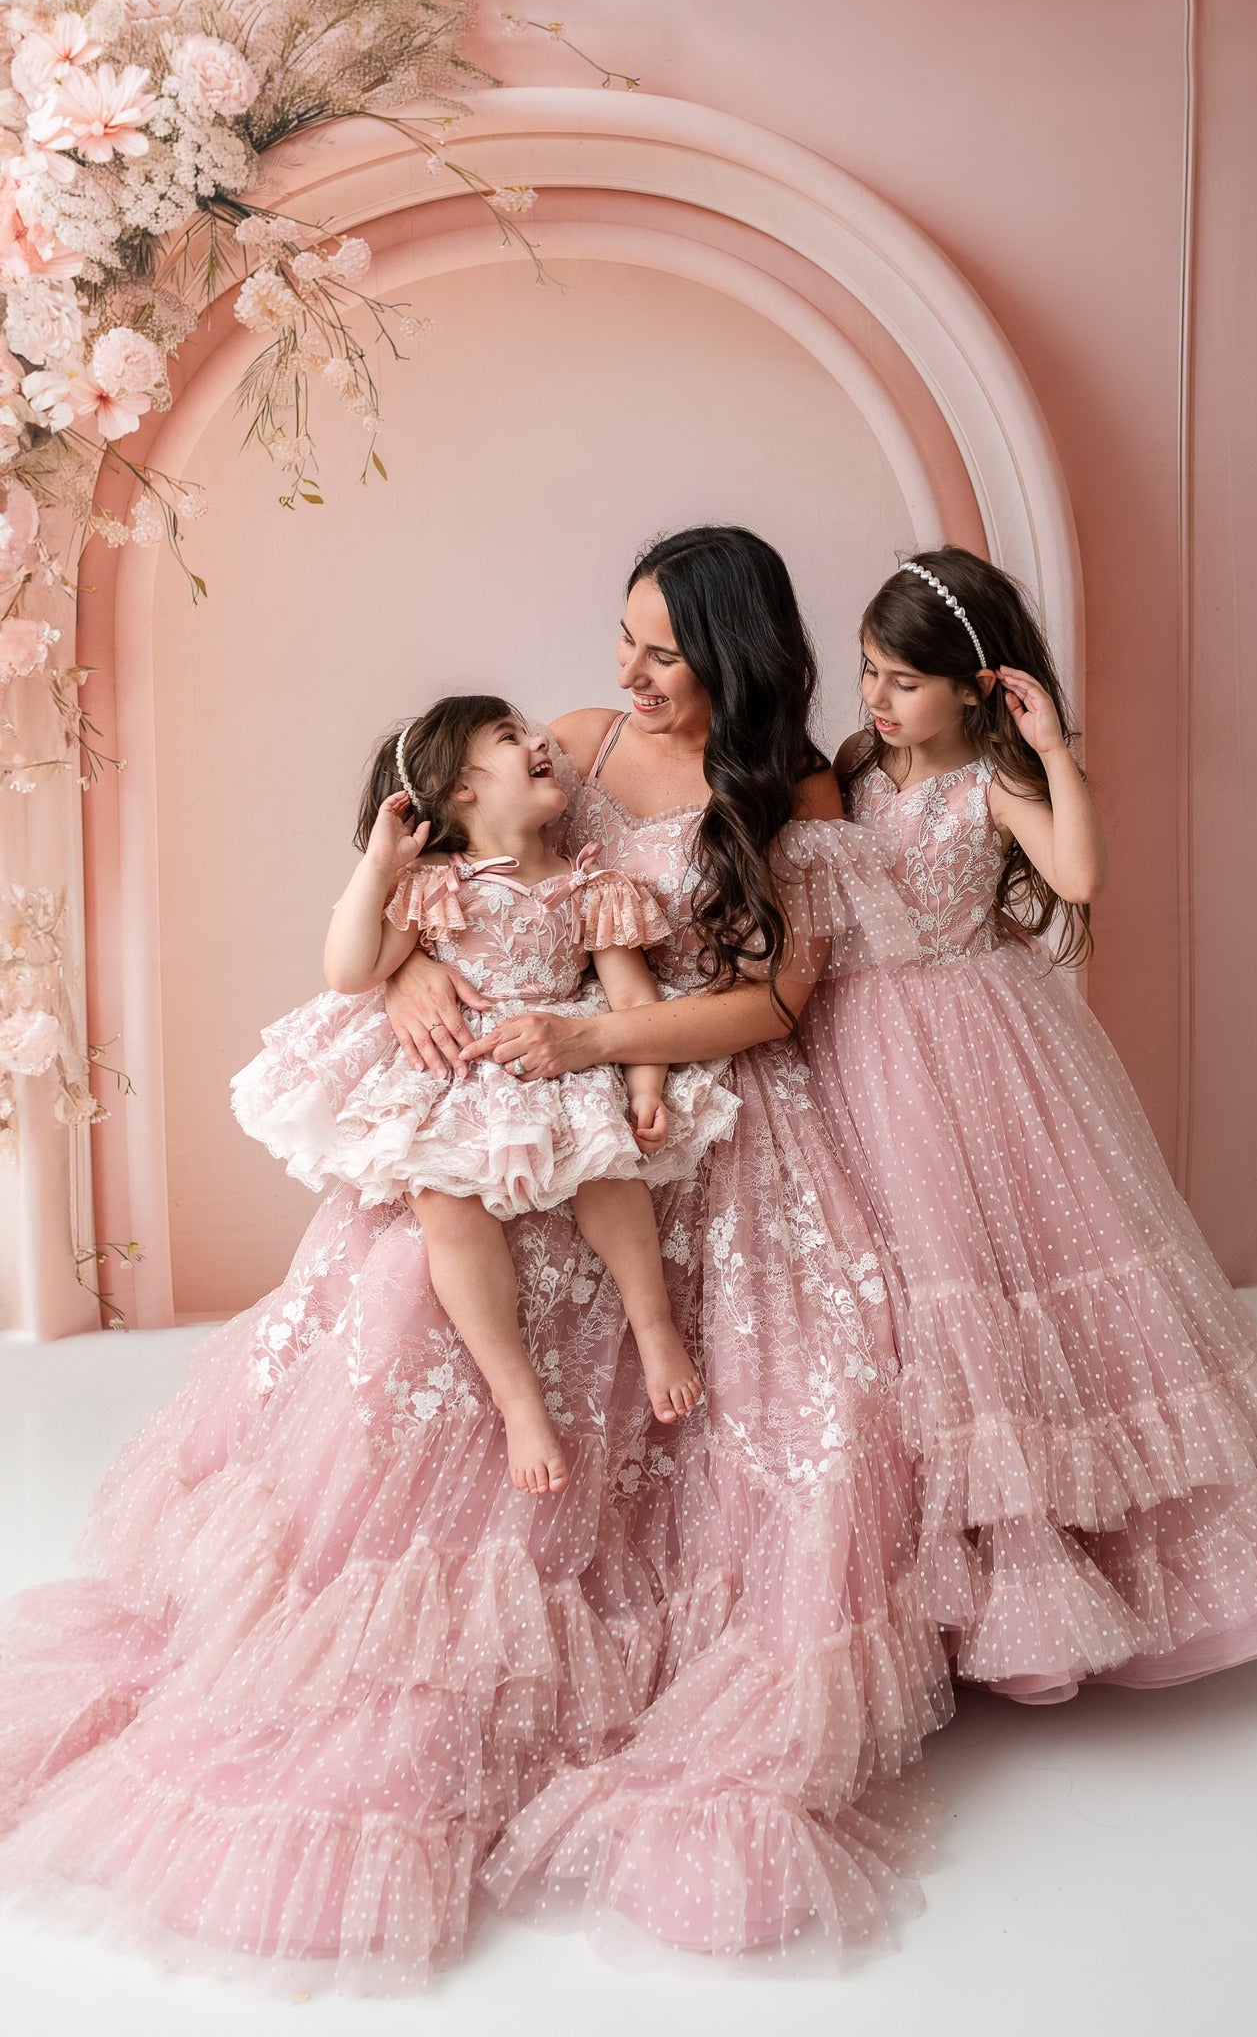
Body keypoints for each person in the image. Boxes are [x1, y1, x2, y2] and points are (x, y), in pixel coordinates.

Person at [0, 528, 940, 1989]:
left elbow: (775, 1009)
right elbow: (447, 865)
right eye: (623, 638)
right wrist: (421, 966)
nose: (628, 676)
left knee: (654, 1300)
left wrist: (596, 1041)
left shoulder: (792, 791)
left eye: (666, 653)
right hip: (516, 1082)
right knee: (411, 1266)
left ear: (737, 657)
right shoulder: (573, 739)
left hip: (668, 1097)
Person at [800, 547, 1257, 1704]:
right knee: (898, 1288)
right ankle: (921, 1584)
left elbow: (1078, 874)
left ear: (976, 685)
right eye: (867, 673)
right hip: (859, 1043)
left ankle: (1080, 1569)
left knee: (1005, 1275)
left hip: (976, 1042)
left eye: (901, 679)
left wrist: (1047, 749)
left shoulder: (987, 785)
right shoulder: (855, 766)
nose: (876, 699)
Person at [231, 694, 735, 1491]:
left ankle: (654, 1323)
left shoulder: (592, 885)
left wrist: (644, 1088)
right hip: (463, 1077)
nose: (542, 741)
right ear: (461, 789)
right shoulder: (437, 885)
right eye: (509, 737)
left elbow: (634, 1002)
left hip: (560, 1065)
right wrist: (379, 865)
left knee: (611, 1173)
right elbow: (351, 970)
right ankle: (516, 1395)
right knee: (446, 1208)